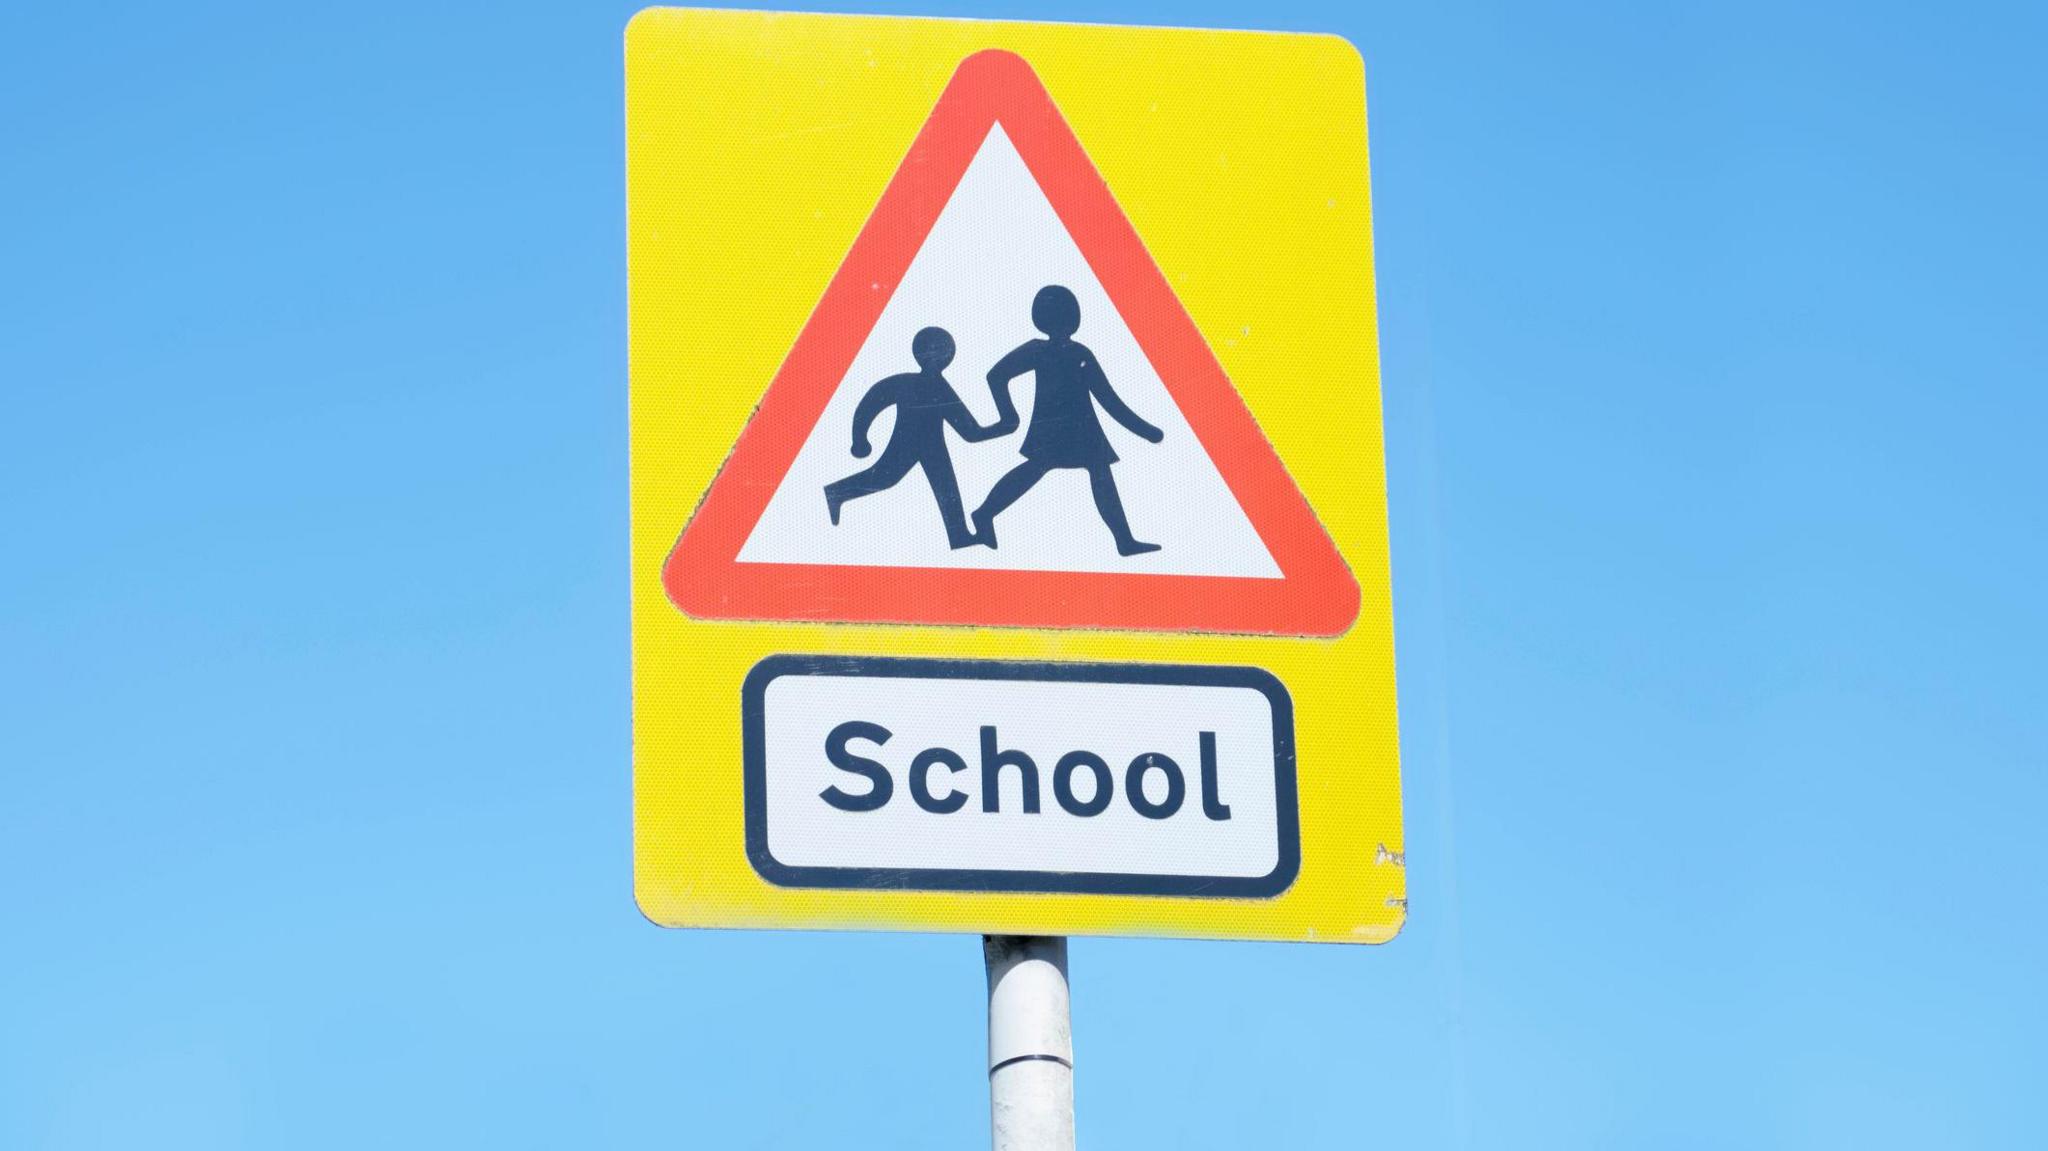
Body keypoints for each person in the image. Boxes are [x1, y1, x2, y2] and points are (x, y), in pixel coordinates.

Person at [970, 286, 1164, 555]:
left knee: (1088, 471)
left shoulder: (1065, 352)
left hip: (1077, 428)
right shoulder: (1057, 352)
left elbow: (1108, 399)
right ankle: (983, 514)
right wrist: (1009, 415)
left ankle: (1124, 540)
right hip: (1060, 427)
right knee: (1067, 470)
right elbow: (996, 376)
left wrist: (1146, 430)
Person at [825, 326, 1013, 549]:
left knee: (945, 488)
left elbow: (970, 432)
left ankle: (960, 536)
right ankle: (836, 492)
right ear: (948, 356)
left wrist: (860, 438)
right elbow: (873, 400)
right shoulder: (929, 386)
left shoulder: (918, 383)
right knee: (887, 478)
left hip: (931, 446)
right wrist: (859, 438)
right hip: (910, 444)